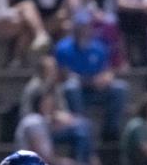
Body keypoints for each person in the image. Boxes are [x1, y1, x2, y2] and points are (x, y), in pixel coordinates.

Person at [55, 9, 128, 141]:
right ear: (75, 28)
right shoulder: (63, 48)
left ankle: (110, 131)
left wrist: (106, 78)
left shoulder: (99, 47)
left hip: (97, 90)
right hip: (76, 92)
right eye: (81, 27)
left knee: (120, 88)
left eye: (87, 27)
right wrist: (90, 81)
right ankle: (82, 129)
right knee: (72, 86)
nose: (84, 30)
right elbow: (65, 75)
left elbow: (107, 70)